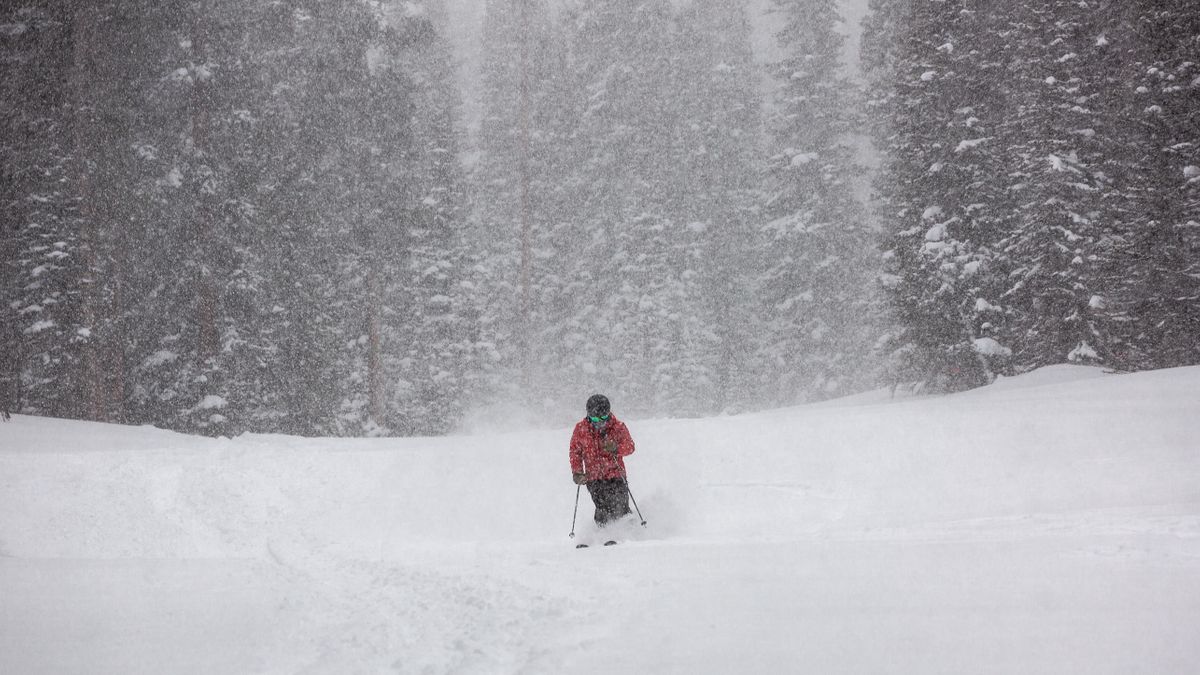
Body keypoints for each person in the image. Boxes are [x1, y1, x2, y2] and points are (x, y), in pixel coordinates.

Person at [569, 394, 636, 526]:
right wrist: (577, 472)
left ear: (609, 413)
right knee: (602, 509)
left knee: (620, 506)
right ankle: (601, 536)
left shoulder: (618, 427)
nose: (599, 422)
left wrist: (616, 448)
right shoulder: (581, 429)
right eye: (594, 418)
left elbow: (630, 446)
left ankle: (627, 532)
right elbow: (575, 452)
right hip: (593, 478)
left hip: (616, 475)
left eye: (604, 417)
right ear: (588, 415)